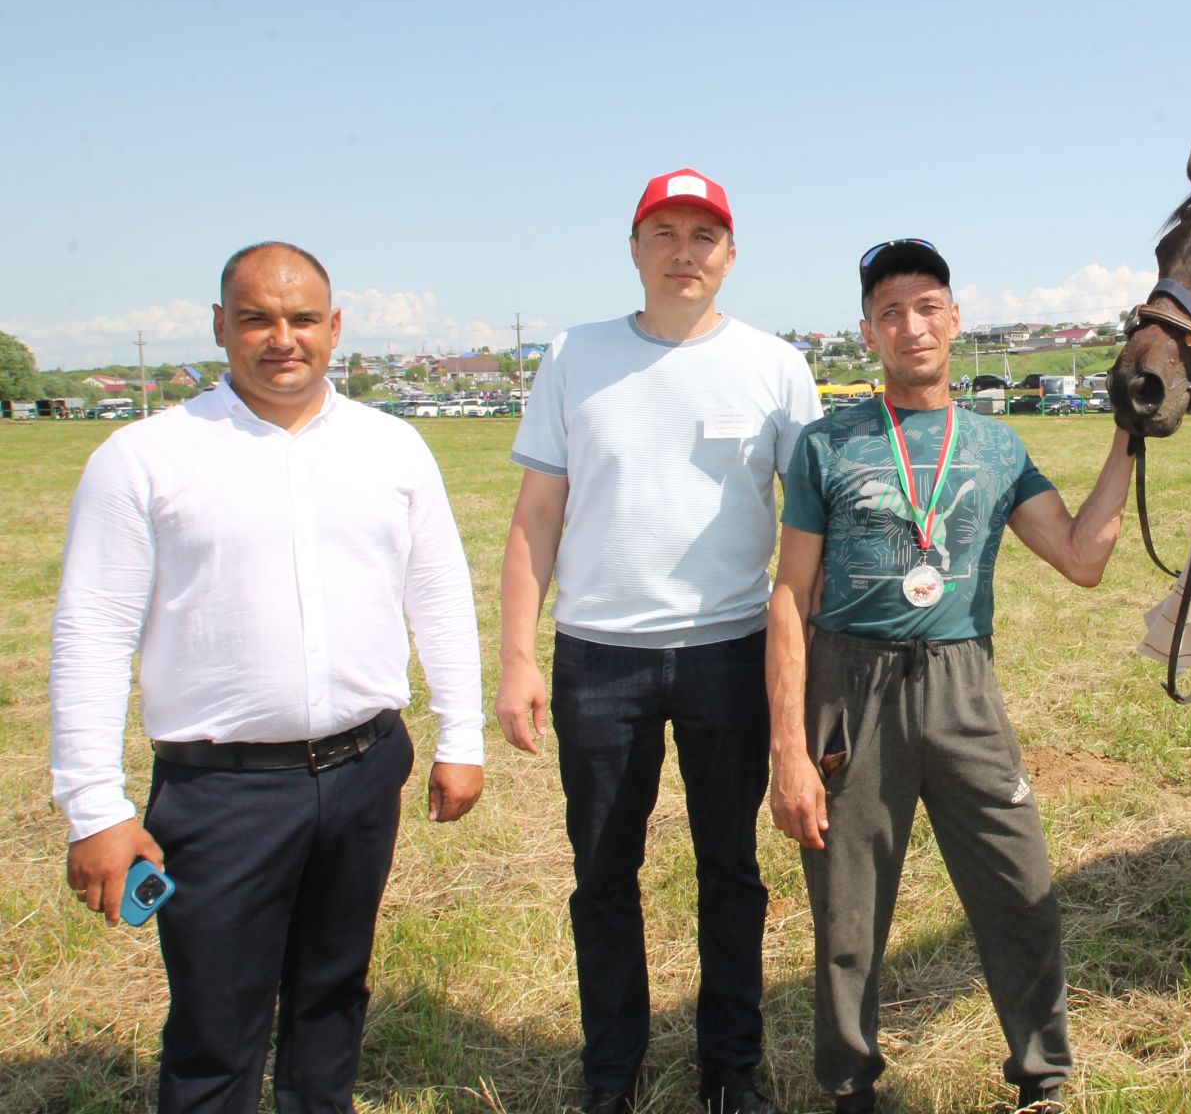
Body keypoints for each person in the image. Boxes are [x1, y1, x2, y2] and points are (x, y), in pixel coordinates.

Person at [50, 242, 486, 1114]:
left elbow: (437, 593)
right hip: (221, 792)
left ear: (334, 328)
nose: (280, 338)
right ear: (221, 327)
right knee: (218, 1023)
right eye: (256, 318)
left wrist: (460, 736)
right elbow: (91, 633)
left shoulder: (391, 448)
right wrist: (95, 807)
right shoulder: (145, 458)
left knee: (332, 995)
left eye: (300, 318)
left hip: (365, 772)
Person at [766, 239, 1136, 1114]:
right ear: (869, 332)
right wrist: (788, 746)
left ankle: (1043, 1079)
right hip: (850, 688)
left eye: (927, 306)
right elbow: (789, 595)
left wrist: (1127, 437)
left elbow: (1083, 558)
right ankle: (851, 1086)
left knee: (1022, 888)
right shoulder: (826, 446)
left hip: (964, 683)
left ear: (954, 318)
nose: (911, 326)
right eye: (891, 312)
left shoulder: (996, 446)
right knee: (848, 914)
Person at [497, 168, 819, 1114]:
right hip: (599, 658)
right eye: (666, 233)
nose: (686, 252)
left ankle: (732, 1066)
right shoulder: (574, 356)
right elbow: (536, 517)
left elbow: (809, 527)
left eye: (704, 236)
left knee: (731, 867)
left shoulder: (775, 365)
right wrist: (518, 658)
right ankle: (612, 1071)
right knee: (603, 872)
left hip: (729, 650)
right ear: (634, 247)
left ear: (730, 255)